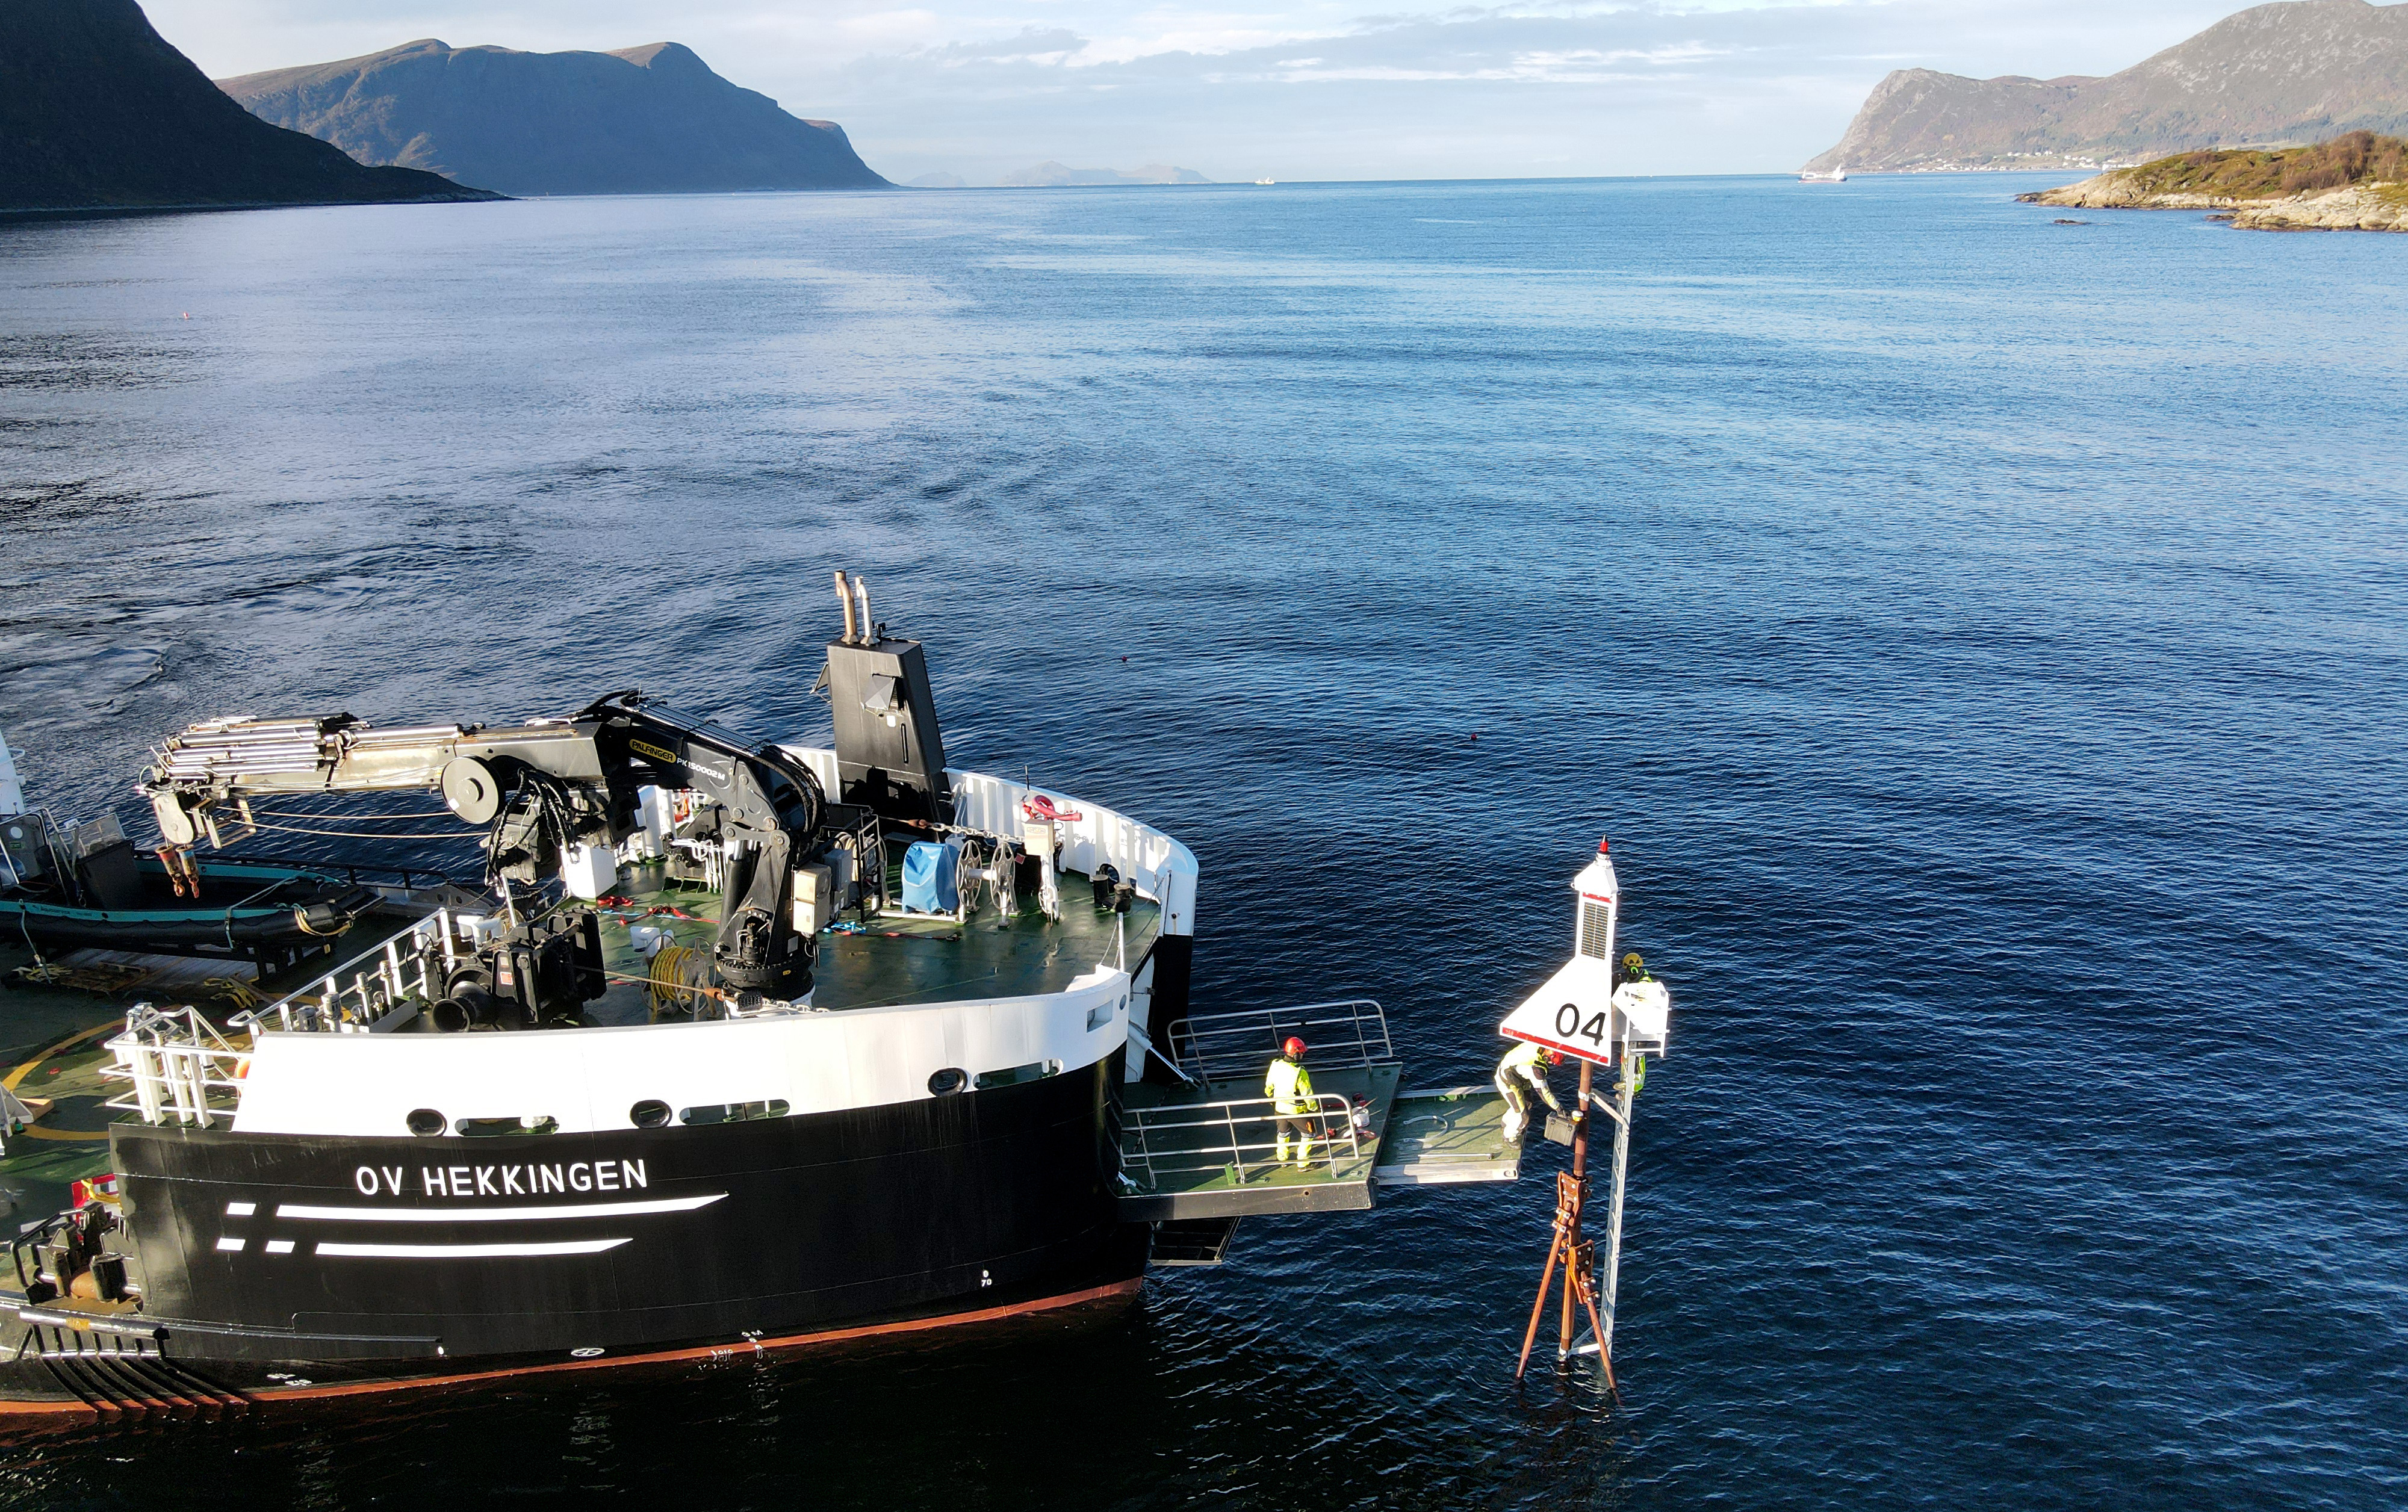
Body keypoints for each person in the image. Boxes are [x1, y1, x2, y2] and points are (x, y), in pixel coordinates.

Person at [1264, 1036, 1318, 1168]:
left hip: (1280, 1109)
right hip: (1298, 1111)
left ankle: (1283, 1159)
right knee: (1309, 1133)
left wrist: (1274, 1102)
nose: (1303, 1055)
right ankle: (1303, 1162)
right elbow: (1308, 1095)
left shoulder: (1275, 1065)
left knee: (1283, 1133)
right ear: (1296, 1053)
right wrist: (1314, 1108)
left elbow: (1268, 1088)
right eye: (1302, 1053)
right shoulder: (1300, 1072)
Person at [1495, 1040, 1563, 1141]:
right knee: (1523, 1116)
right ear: (1550, 1056)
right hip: (1508, 1083)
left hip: (1511, 1073)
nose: (1550, 1064)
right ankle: (1509, 1137)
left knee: (1527, 1104)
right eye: (1551, 1062)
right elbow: (1544, 1092)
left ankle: (1505, 1123)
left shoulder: (1537, 1045)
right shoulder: (1537, 1069)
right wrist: (1559, 1109)